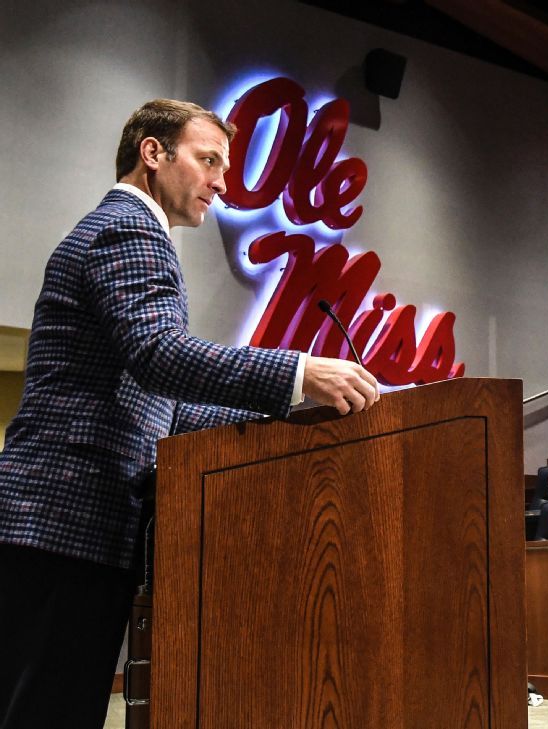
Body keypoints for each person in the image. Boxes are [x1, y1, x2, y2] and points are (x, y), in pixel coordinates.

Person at [0, 99, 379, 728]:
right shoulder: (128, 228)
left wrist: (288, 421)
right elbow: (160, 354)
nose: (222, 182)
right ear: (153, 153)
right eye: (209, 161)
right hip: (64, 522)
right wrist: (298, 373)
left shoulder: (133, 233)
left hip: (69, 529)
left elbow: (165, 412)